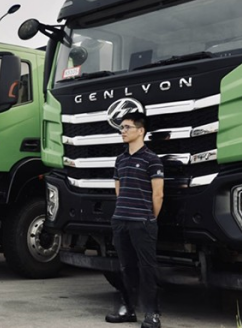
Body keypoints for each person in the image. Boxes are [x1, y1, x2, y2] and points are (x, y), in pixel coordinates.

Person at [105, 112, 164, 328]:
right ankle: (128, 310)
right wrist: (122, 214)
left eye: (127, 127)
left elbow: (158, 194)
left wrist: (149, 218)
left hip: (143, 222)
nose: (123, 131)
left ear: (141, 131)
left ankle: (152, 314)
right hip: (121, 220)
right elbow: (118, 190)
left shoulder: (152, 159)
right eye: (121, 128)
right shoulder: (120, 159)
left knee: (148, 268)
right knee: (126, 267)